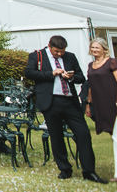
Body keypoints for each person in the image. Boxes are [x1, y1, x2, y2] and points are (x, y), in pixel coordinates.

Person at [26, 35, 107, 183]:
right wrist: (51, 73)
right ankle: (65, 169)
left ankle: (89, 171)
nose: (59, 54)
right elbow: (29, 73)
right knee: (56, 137)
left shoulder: (70, 57)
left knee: (83, 134)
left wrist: (71, 77)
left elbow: (81, 77)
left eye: (62, 52)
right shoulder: (37, 56)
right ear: (50, 46)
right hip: (50, 101)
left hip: (70, 101)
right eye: (57, 51)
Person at [85, 38, 117, 169]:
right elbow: (91, 86)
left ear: (104, 49)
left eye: (97, 47)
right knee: (112, 134)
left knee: (116, 135)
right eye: (92, 47)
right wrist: (88, 103)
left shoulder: (112, 62)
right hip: (99, 103)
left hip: (113, 102)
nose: (94, 50)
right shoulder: (90, 65)